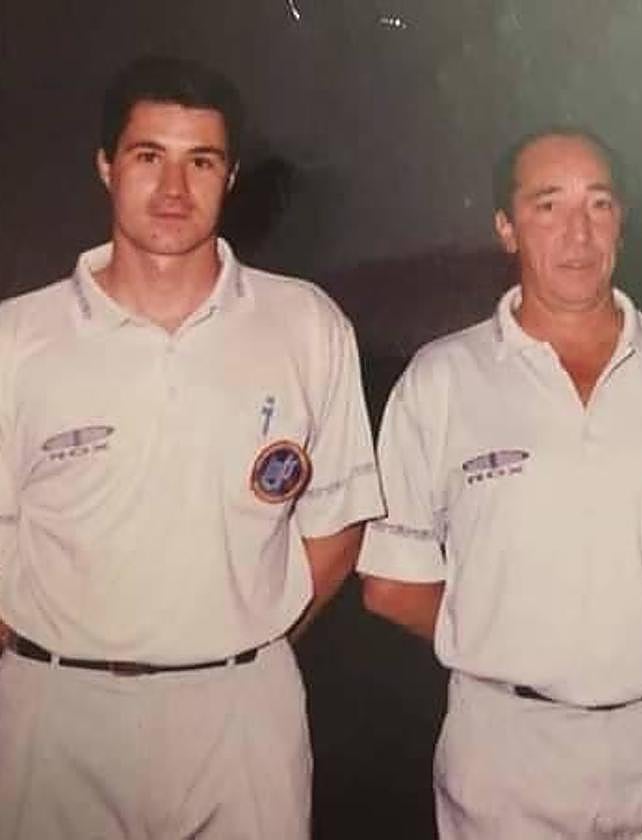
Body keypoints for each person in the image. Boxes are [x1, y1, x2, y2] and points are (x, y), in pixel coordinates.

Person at [357, 127, 642, 839]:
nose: (578, 233)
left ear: (622, 222)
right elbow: (393, 585)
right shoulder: (441, 379)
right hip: (509, 749)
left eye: (599, 205)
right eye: (547, 206)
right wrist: (517, 643)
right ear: (505, 227)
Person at [0, 56, 382, 839]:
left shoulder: (305, 324)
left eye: (200, 161)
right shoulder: (18, 338)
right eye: (149, 157)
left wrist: (237, 639)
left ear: (231, 175)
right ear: (106, 165)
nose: (174, 190)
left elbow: (337, 525)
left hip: (242, 711)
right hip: (58, 711)